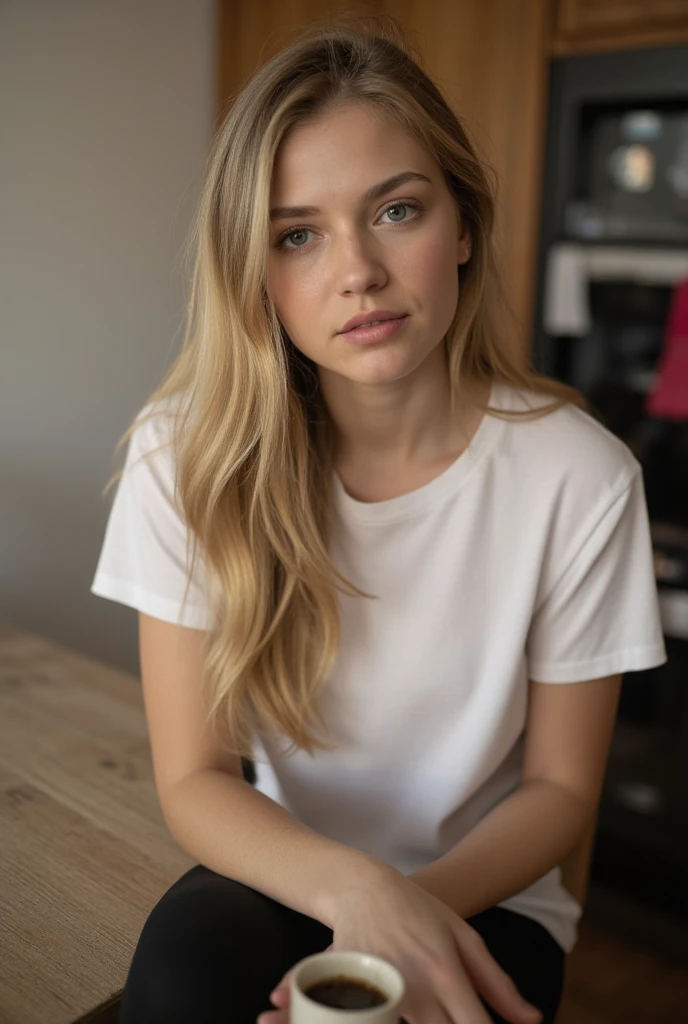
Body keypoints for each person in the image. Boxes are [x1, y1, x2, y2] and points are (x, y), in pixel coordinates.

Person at [91, 18, 667, 1024]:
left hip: (488, 893)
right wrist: (354, 894)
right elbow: (195, 777)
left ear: (464, 226)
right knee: (181, 980)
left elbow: (561, 792)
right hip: (288, 866)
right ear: (256, 275)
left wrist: (402, 917)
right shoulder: (185, 455)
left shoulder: (580, 475)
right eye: (297, 234)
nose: (355, 269)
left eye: (395, 210)